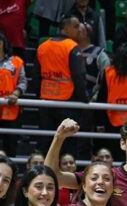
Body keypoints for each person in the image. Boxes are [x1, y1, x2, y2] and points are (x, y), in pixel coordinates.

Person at [36, 16, 88, 155]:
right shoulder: (71, 47)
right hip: (68, 101)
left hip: (46, 100)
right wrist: (85, 99)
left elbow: (36, 76)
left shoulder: (42, 46)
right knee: (68, 145)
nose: (79, 29)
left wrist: (38, 97)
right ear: (65, 28)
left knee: (46, 143)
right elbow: (78, 76)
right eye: (76, 26)